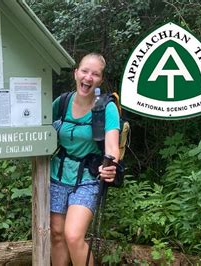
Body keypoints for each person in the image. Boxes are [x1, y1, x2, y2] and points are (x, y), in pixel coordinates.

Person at [50, 53, 120, 266]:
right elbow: (41, 132)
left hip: (88, 177)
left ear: (100, 80)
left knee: (73, 235)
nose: (88, 77)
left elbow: (111, 148)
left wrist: (110, 166)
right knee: (57, 234)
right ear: (76, 73)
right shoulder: (61, 103)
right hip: (57, 174)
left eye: (95, 74)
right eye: (84, 71)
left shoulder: (105, 107)